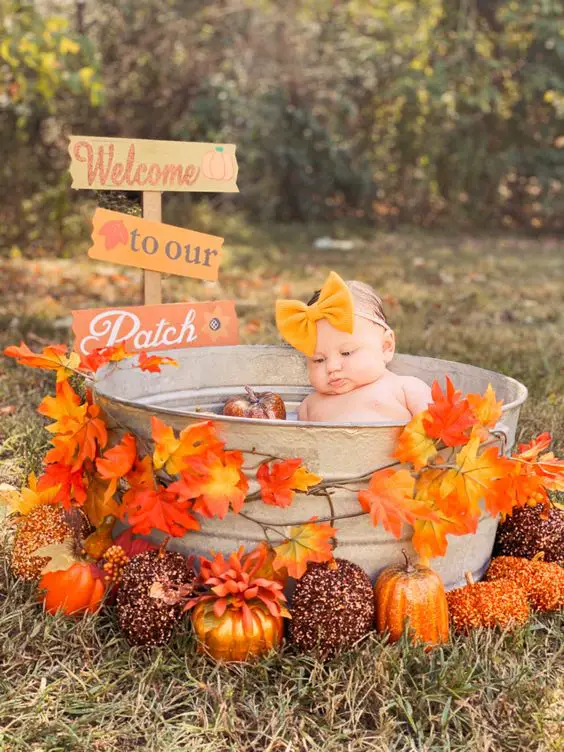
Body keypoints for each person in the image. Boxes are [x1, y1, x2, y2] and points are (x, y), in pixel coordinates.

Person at [275, 271, 432, 423]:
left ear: (386, 347)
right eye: (319, 360)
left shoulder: (404, 388)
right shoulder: (309, 406)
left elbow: (439, 432)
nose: (332, 367)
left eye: (346, 352)